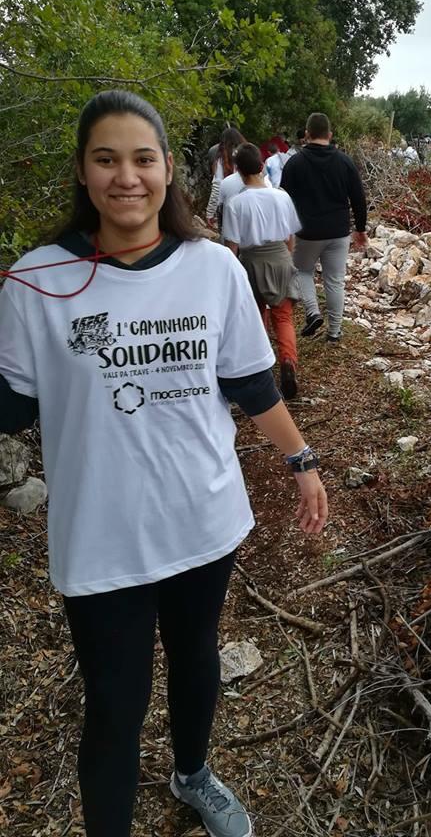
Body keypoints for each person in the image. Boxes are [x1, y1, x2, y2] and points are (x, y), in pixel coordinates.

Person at [0, 90, 328, 837]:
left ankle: (193, 774)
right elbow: (11, 406)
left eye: (142, 159)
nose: (126, 177)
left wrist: (302, 461)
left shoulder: (213, 269)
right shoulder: (36, 281)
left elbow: (249, 384)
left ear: (168, 170)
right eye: (106, 159)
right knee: (115, 702)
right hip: (101, 535)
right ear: (82, 173)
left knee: (196, 658)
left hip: (201, 516)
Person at [223, 143, 302, 399]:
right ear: (261, 166)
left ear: (238, 171)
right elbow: (290, 237)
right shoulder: (282, 196)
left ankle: (262, 369)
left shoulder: (235, 204)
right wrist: (286, 259)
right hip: (279, 256)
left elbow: (232, 246)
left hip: (251, 261)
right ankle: (288, 363)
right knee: (283, 317)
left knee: (255, 319)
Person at [280, 112, 367, 343]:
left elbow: (283, 200)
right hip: (338, 231)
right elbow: (358, 197)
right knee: (335, 280)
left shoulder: (294, 163)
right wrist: (361, 228)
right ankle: (335, 332)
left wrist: (284, 231)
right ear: (330, 134)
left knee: (302, 271)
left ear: (306, 135)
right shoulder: (345, 162)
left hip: (307, 232)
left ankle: (312, 311)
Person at [205, 125, 245, 229]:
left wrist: (210, 212)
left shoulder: (221, 158)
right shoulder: (249, 153)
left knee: (229, 240)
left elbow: (217, 186)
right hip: (249, 204)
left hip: (228, 207)